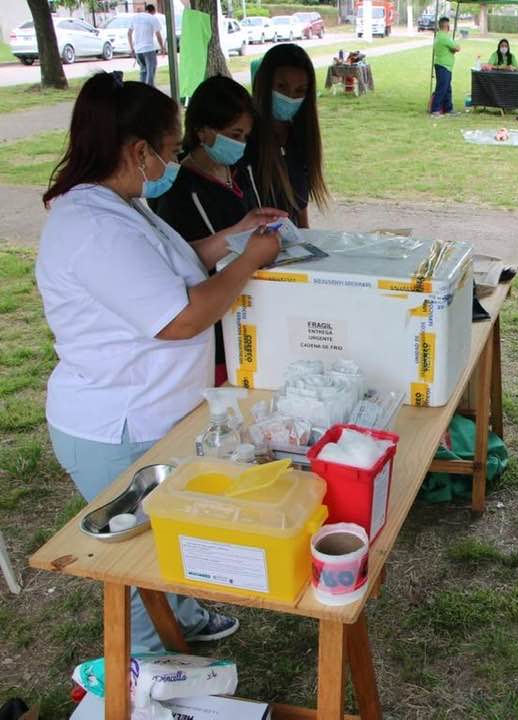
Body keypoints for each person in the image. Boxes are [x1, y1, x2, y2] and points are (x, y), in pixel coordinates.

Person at [36, 72, 283, 654]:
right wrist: (248, 263)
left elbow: (172, 266)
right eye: (171, 151)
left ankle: (184, 617)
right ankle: (150, 672)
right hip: (117, 423)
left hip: (151, 411)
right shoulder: (94, 227)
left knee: (166, 531)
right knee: (137, 559)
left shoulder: (121, 206)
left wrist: (235, 236)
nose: (173, 162)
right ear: (138, 151)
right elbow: (181, 318)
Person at [152, 75, 285, 385]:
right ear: (203, 131)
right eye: (233, 134)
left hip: (254, 307)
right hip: (215, 324)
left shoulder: (241, 172)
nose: (240, 144)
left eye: (245, 136)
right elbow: (185, 264)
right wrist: (246, 250)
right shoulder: (177, 189)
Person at [246, 43, 331, 228]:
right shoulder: (244, 138)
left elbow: (300, 205)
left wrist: (305, 235)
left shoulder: (300, 137)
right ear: (264, 84)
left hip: (288, 240)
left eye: (300, 91)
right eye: (281, 87)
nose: (290, 97)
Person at [128, 4, 165, 87]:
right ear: (153, 11)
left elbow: (129, 33)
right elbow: (158, 35)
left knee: (143, 71)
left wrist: (132, 48)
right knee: (150, 71)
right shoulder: (152, 18)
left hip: (138, 50)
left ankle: (142, 89)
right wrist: (162, 47)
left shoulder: (135, 18)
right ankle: (149, 89)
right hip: (149, 49)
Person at [430, 17, 460, 116]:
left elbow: (452, 48)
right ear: (446, 25)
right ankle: (435, 109)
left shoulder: (439, 36)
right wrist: (454, 48)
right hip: (443, 65)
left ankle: (448, 108)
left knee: (447, 88)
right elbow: (457, 48)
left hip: (444, 65)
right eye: (449, 24)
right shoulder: (444, 37)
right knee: (442, 88)